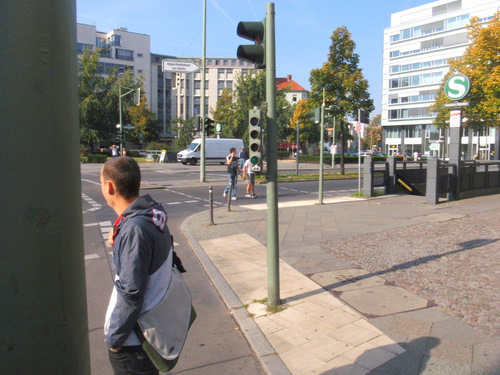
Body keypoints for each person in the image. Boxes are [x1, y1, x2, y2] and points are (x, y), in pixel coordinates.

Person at [101, 156, 173, 375]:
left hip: (133, 343)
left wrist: (114, 338)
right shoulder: (149, 216)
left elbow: (131, 292)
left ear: (110, 187)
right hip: (147, 333)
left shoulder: (135, 229)